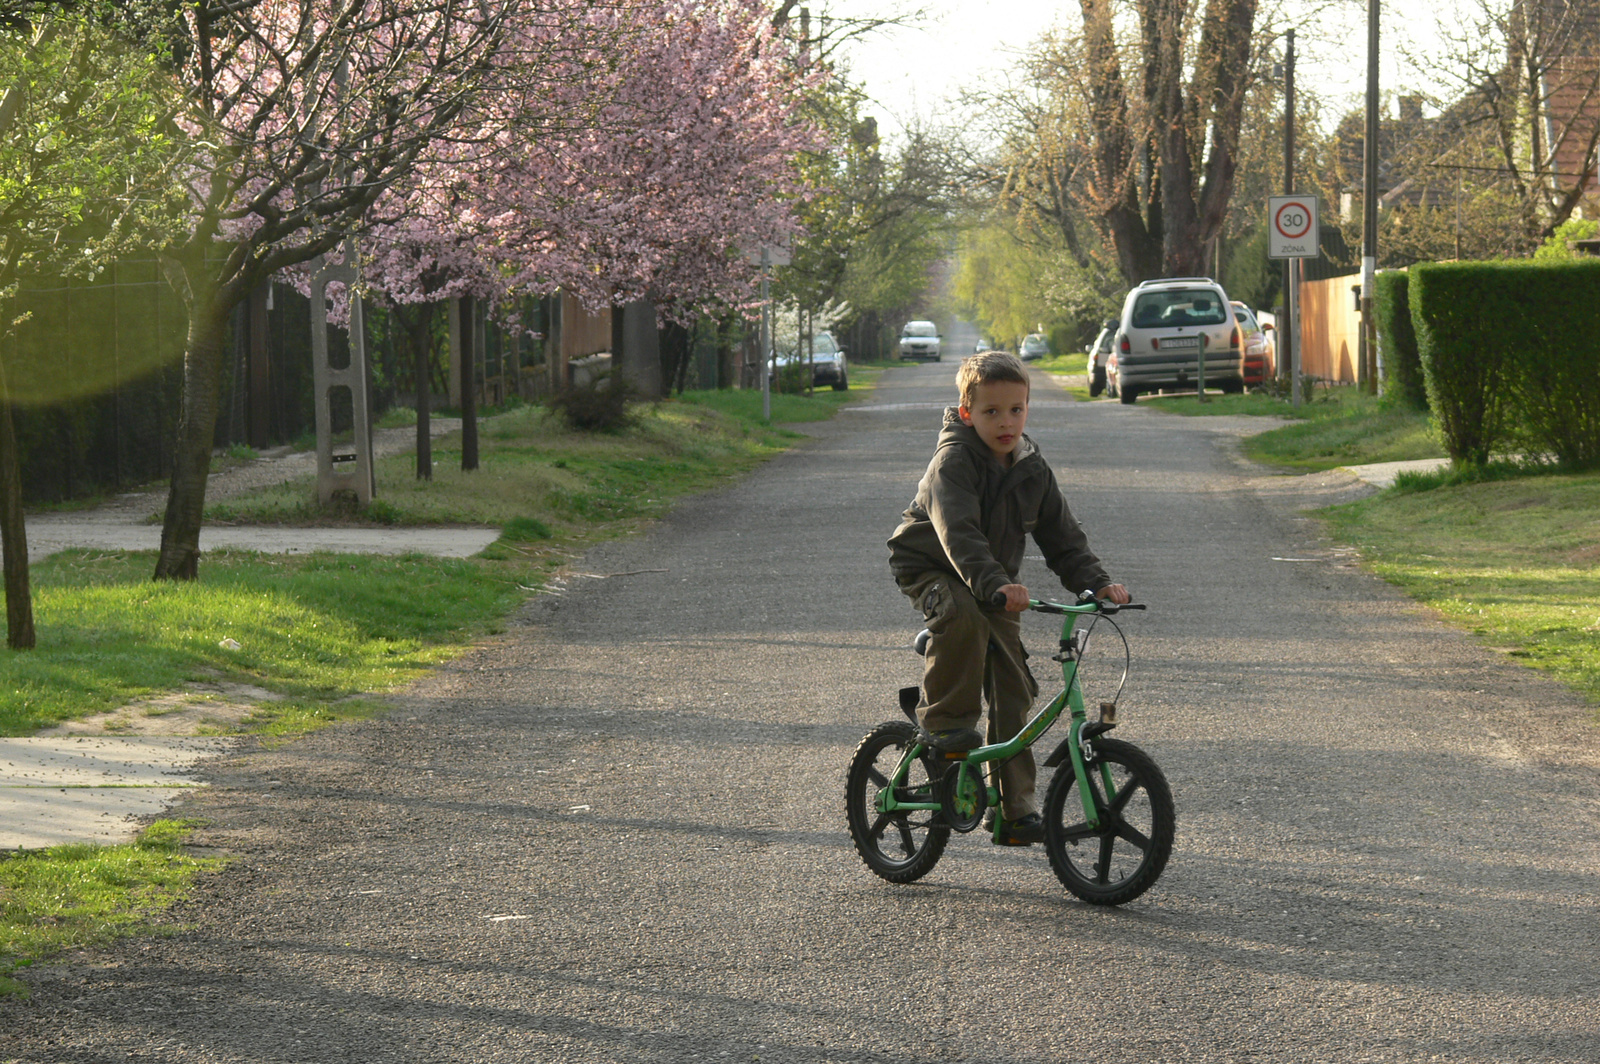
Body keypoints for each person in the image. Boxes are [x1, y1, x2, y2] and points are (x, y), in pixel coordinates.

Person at [886, 352, 1129, 846]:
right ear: (967, 410)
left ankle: (1015, 811)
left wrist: (1097, 583)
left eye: (1016, 410)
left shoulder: (1031, 468)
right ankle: (946, 725)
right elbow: (960, 536)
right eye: (992, 411)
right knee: (964, 617)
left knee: (1014, 688)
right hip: (934, 566)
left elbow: (1064, 539)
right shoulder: (952, 463)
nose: (1006, 422)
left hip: (994, 583)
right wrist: (995, 584)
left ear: (1027, 408)